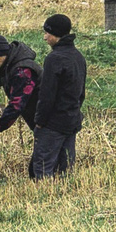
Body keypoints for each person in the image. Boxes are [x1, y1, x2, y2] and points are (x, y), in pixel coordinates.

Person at [30, 13, 86, 179]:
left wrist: (39, 121)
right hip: (71, 119)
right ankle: (64, 197)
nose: (45, 37)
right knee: (66, 167)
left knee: (43, 166)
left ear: (56, 35)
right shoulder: (78, 56)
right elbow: (81, 92)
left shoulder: (54, 59)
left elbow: (47, 95)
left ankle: (43, 198)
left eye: (48, 33)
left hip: (53, 123)